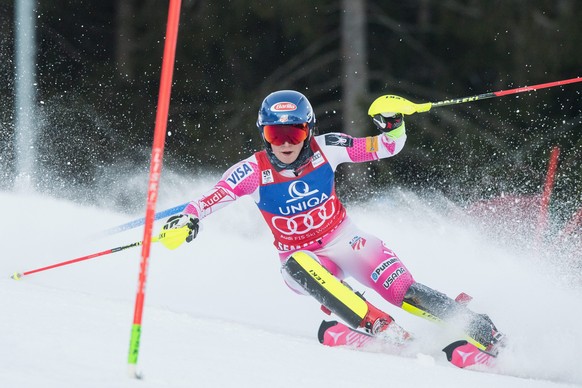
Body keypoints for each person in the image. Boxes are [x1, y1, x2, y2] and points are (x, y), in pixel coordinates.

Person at [161, 90, 505, 368]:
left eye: (292, 132)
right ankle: (381, 326)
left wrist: (393, 122)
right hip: (305, 261)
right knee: (297, 263)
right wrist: (188, 218)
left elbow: (386, 146)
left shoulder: (328, 147)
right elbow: (212, 197)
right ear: (264, 134)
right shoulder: (253, 170)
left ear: (307, 130)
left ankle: (481, 330)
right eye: (274, 133)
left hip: (346, 240)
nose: (284, 142)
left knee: (404, 290)